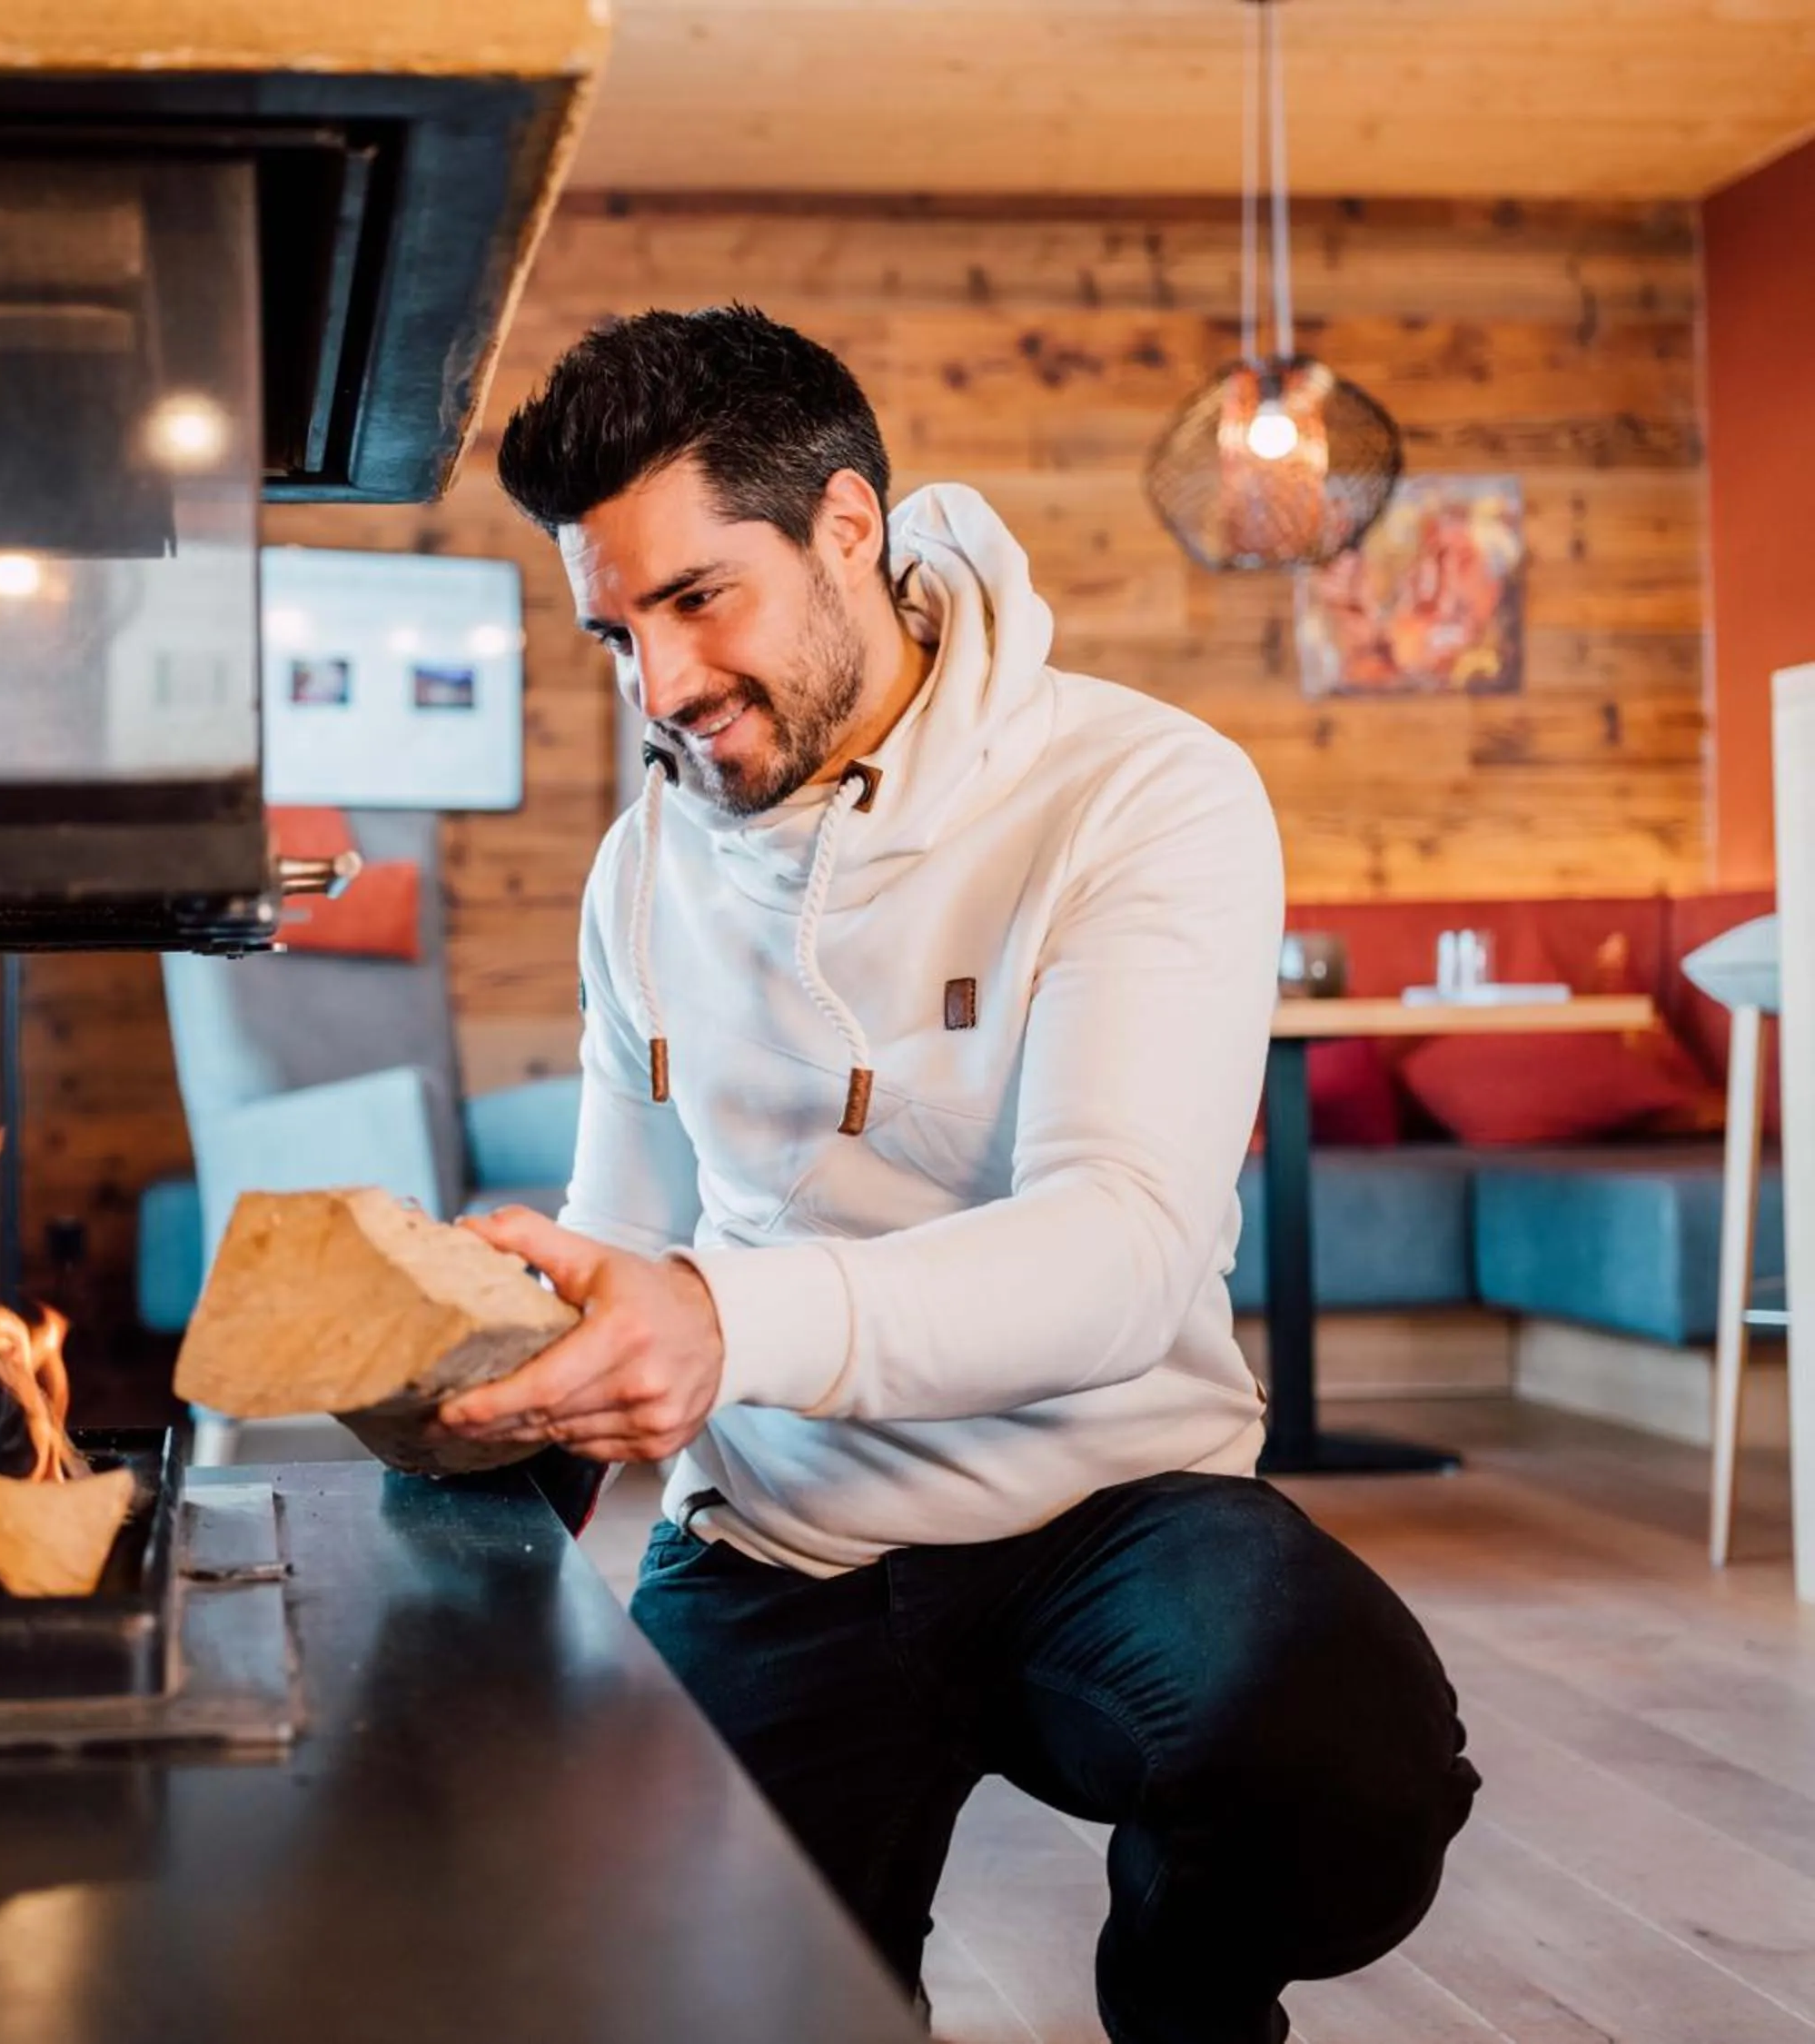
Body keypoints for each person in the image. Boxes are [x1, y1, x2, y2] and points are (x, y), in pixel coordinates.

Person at [437, 306, 1478, 2044]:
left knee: (1338, 1756)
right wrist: (474, 1449)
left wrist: (718, 1316)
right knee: (699, 1988)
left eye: (700, 599)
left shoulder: (1138, 792)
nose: (663, 687)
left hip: (1107, 1515)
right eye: (615, 633)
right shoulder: (643, 868)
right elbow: (623, 1227)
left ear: (851, 527)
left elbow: (1125, 1251)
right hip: (776, 1535)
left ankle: (1181, 1982)